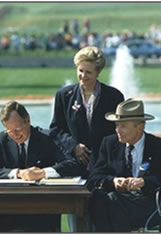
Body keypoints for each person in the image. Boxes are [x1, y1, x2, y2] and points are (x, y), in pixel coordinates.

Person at [0, 101, 80, 232]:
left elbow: (72, 165)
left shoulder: (47, 138)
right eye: (10, 131)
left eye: (18, 129)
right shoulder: (2, 139)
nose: (15, 135)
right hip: (8, 206)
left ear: (28, 120)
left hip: (41, 208)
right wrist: (18, 173)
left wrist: (42, 173)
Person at [49, 46, 124, 232]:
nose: (83, 76)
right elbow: (55, 129)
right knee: (77, 221)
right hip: (75, 168)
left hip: (104, 167)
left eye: (88, 72)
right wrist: (74, 146)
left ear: (98, 72)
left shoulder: (114, 96)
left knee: (103, 219)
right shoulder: (64, 96)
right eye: (80, 71)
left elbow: (118, 132)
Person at [87, 98, 161, 232]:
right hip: (114, 202)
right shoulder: (109, 143)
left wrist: (144, 182)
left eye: (123, 126)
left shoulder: (159, 146)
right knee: (101, 199)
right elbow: (94, 176)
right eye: (116, 125)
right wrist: (113, 181)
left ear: (140, 127)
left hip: (147, 205)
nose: (118, 130)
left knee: (108, 203)